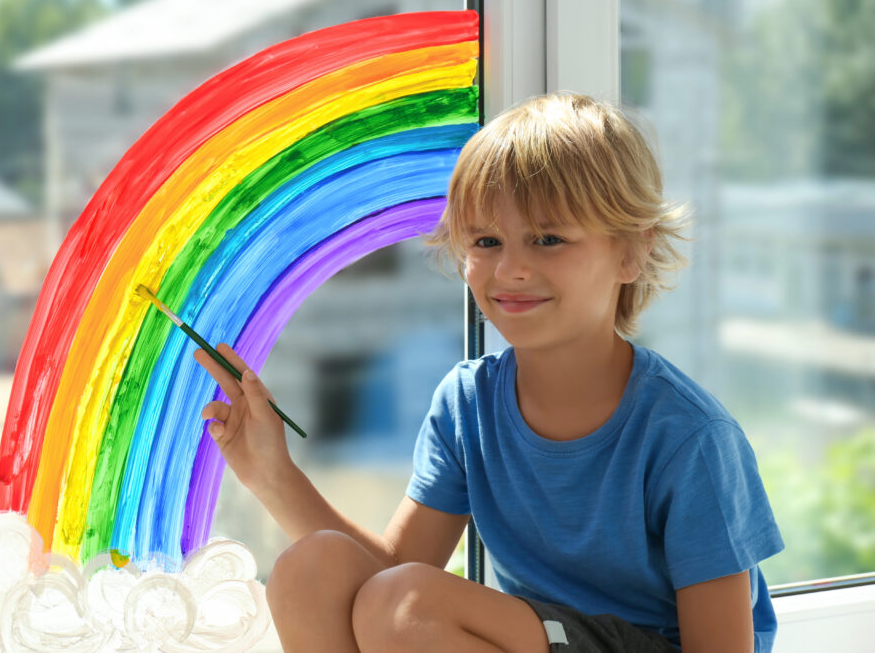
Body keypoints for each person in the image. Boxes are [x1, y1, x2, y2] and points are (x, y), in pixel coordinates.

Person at [193, 93, 784, 653]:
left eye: (549, 239)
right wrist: (272, 474)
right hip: (543, 636)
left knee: (405, 602)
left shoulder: (689, 438)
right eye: (486, 240)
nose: (512, 268)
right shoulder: (468, 404)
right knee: (308, 570)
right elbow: (386, 575)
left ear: (630, 252)